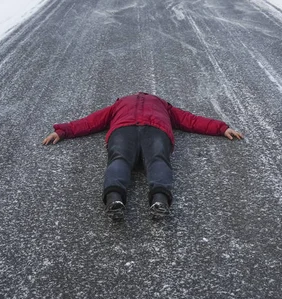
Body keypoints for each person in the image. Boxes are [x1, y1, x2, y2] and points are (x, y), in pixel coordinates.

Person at [42, 92, 243, 221]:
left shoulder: (156, 105)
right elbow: (91, 121)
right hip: (138, 130)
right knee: (142, 159)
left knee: (134, 159)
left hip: (141, 131)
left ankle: (150, 199)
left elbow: (190, 120)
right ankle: (125, 198)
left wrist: (221, 128)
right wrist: (63, 131)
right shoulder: (131, 105)